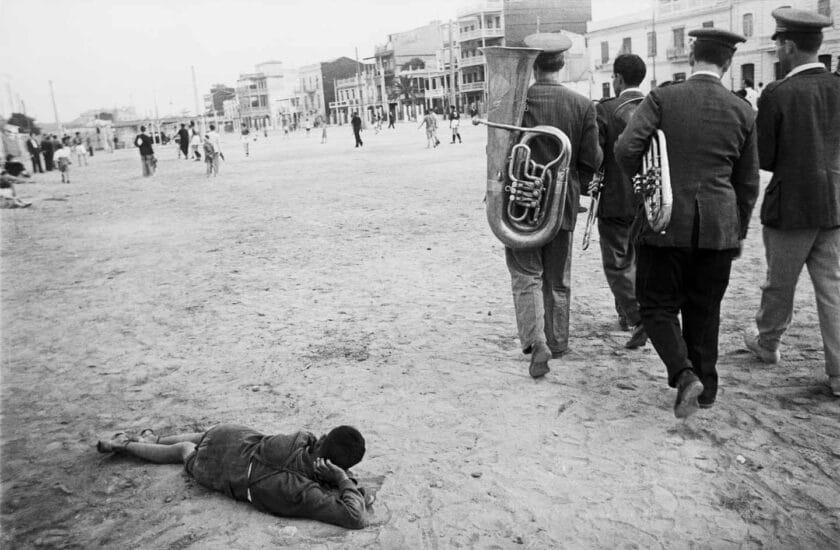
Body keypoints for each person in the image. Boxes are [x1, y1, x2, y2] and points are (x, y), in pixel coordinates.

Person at [615, 28, 759, 418]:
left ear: (692, 55)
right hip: (719, 228)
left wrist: (647, 187)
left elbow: (627, 148)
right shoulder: (743, 109)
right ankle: (706, 389)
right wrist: (739, 230)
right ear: (728, 63)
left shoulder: (663, 97)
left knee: (657, 306)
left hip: (664, 224)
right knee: (705, 308)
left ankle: (683, 375)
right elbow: (747, 184)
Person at [743, 8, 840, 397]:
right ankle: (838, 375)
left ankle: (767, 343)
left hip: (790, 206)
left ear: (789, 44)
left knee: (778, 284)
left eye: (779, 43)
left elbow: (763, 157)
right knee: (832, 288)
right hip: (833, 203)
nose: (777, 50)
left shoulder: (777, 93)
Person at [505, 33, 601, 378]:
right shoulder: (581, 104)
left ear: (532, 64)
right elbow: (594, 159)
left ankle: (535, 343)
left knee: (526, 275)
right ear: (562, 64)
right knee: (558, 277)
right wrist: (575, 181)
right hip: (562, 204)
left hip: (519, 206)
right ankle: (557, 342)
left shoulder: (515, 100)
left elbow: (497, 152)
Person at [95, 424, 370, 529]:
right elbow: (355, 516)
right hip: (228, 470)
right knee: (185, 451)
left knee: (204, 436)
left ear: (323, 439)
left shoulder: (301, 440)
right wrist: (343, 481)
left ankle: (154, 438)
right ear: (338, 466)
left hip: (235, 436)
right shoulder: (304, 491)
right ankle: (124, 446)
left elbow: (313, 444)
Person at [593, 54, 648, 349]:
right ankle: (625, 313)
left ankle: (639, 317)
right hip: (650, 200)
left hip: (616, 198)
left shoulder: (606, 109)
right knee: (637, 259)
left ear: (618, 78)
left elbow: (595, 156)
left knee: (616, 263)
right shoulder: (656, 105)